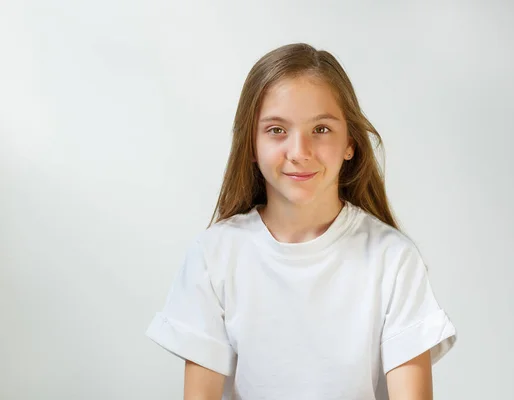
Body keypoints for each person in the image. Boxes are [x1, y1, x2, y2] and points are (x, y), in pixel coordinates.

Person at [145, 42, 457, 400]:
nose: (299, 152)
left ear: (350, 142)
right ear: (251, 144)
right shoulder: (213, 255)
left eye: (321, 129)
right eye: (277, 130)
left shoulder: (394, 260)